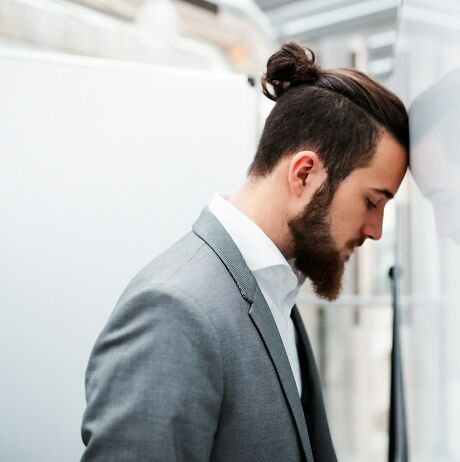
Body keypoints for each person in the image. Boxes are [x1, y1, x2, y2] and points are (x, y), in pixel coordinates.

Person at [80, 42, 409, 462]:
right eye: (372, 201)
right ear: (304, 174)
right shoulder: (174, 311)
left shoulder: (274, 290)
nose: (376, 231)